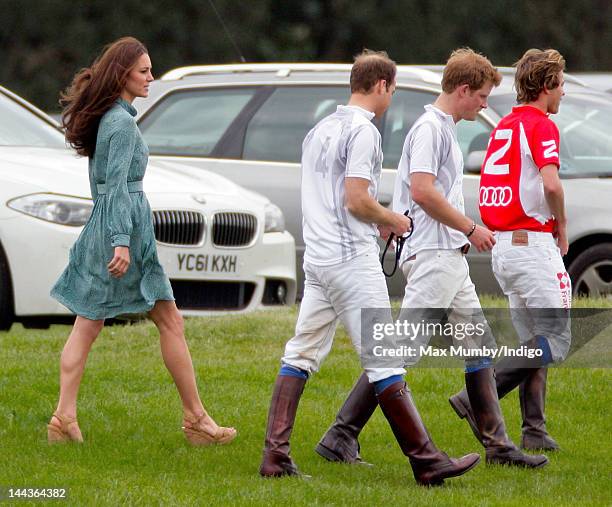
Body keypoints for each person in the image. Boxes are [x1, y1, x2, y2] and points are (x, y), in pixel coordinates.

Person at [316, 48, 547, 468]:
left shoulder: (443, 128)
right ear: (462, 90)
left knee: (480, 346)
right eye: (480, 96)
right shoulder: (430, 129)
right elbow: (422, 190)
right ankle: (341, 434)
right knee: (399, 351)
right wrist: (470, 227)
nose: (483, 104)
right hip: (435, 254)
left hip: (450, 259)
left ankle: (499, 447)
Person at [259, 49, 481, 486]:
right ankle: (426, 460)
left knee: (301, 353)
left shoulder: (320, 129)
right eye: (392, 90)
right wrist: (393, 219)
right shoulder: (364, 132)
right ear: (381, 85)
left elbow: (336, 199)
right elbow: (356, 198)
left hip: (319, 259)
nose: (391, 98)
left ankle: (275, 457)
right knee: (384, 359)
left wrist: (375, 222)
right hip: (350, 261)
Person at [47, 37, 236, 447]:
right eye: (144, 71)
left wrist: (113, 236)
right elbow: (114, 187)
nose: (151, 78)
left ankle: (64, 417)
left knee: (88, 324)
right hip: (124, 230)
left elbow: (105, 188)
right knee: (166, 320)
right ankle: (197, 421)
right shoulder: (121, 124)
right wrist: (121, 242)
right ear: (123, 74)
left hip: (111, 226)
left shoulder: (110, 119)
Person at [449, 48, 571, 451]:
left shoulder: (503, 126)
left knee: (533, 339)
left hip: (504, 246)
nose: (563, 94)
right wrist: (562, 226)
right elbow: (551, 185)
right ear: (547, 85)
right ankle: (476, 398)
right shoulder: (541, 125)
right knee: (556, 340)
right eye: (561, 85)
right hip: (531, 243)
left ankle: (534, 428)